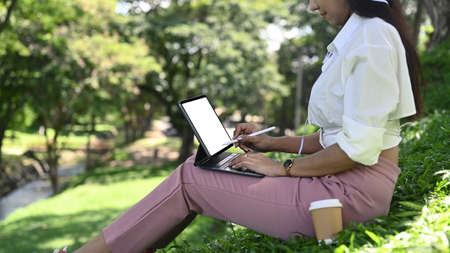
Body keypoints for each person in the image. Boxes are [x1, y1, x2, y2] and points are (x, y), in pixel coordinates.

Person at [55, 0, 423, 252]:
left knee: (189, 179)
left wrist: (284, 170)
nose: (311, 5)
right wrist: (272, 145)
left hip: (346, 197)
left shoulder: (371, 37)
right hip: (342, 184)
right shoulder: (364, 33)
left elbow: (356, 150)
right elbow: (335, 139)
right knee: (195, 173)